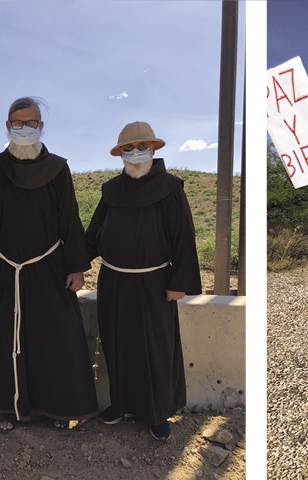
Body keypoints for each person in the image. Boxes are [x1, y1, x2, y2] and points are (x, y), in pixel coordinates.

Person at [0, 97, 98, 433]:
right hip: (4, 273)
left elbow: (69, 220)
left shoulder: (58, 169)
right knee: (5, 341)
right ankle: (10, 408)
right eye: (18, 123)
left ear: (41, 127)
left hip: (50, 269)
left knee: (57, 337)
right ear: (8, 127)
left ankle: (58, 408)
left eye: (31, 123)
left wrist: (76, 267)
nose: (24, 128)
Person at [85, 121, 201, 440]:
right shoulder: (111, 191)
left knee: (155, 349)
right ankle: (120, 405)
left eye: (141, 147)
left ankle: (156, 413)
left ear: (153, 149)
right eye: (128, 148)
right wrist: (73, 265)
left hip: (154, 285)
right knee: (117, 344)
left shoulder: (170, 189)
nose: (135, 153)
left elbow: (184, 239)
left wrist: (180, 282)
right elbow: (94, 235)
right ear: (120, 154)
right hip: (114, 283)